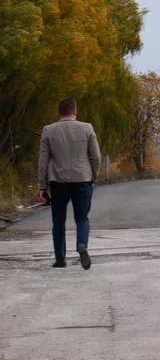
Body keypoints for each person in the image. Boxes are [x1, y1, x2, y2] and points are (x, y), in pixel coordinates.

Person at [38, 97, 101, 270]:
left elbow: (43, 162)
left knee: (58, 221)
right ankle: (82, 244)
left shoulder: (48, 130)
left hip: (58, 182)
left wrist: (43, 187)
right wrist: (93, 177)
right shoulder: (87, 128)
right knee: (81, 218)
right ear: (75, 111)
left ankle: (60, 259)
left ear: (59, 112)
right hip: (82, 180)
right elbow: (96, 157)